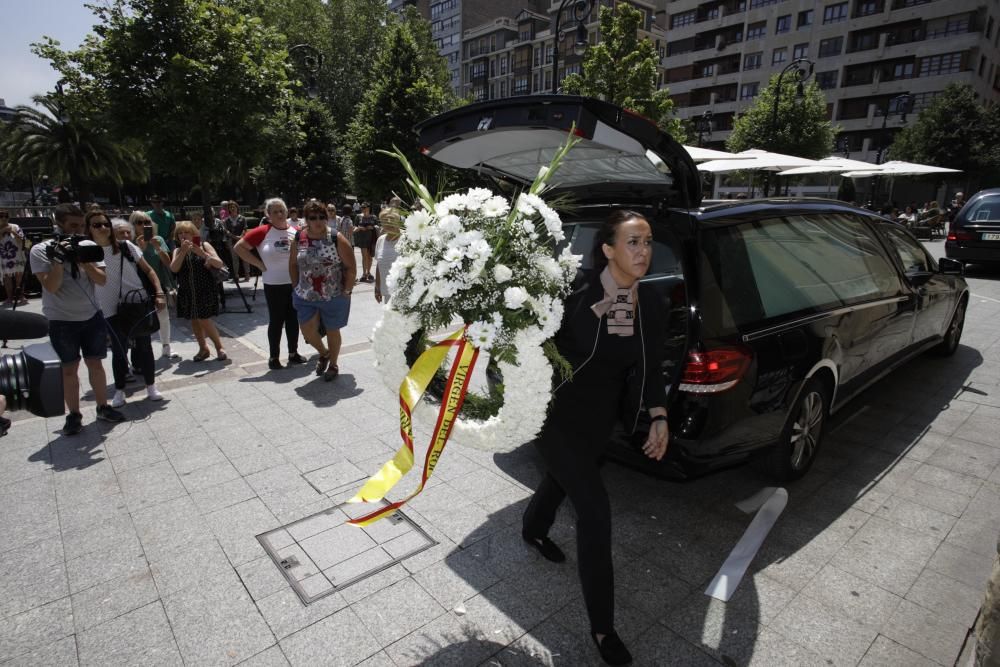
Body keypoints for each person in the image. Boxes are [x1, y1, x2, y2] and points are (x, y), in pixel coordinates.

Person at [521, 210, 670, 666]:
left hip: (599, 420)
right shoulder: (571, 287)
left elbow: (648, 366)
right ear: (608, 249)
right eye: (632, 242)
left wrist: (658, 416)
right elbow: (529, 339)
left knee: (564, 478)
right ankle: (603, 629)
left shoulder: (653, 302)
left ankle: (532, 529)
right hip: (552, 413)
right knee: (595, 510)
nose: (643, 251)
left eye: (647, 241)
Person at [29, 203, 125, 433]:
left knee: (96, 363)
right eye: (73, 225)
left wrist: (84, 261)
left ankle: (103, 406)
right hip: (61, 320)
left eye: (81, 225)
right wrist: (60, 261)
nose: (77, 231)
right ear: (59, 224)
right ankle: (74, 414)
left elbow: (102, 280)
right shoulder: (41, 250)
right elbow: (51, 286)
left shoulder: (88, 246)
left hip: (91, 315)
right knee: (69, 369)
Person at [89, 213, 167, 406]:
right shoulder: (88, 251)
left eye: (105, 224)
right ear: (89, 228)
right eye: (96, 225)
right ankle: (120, 390)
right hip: (109, 306)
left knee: (144, 345)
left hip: (135, 302)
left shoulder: (126, 246)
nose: (102, 228)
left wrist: (159, 292)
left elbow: (149, 270)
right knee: (119, 349)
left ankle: (151, 386)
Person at [234, 197, 307, 370]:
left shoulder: (295, 231)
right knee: (276, 320)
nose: (280, 214)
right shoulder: (263, 231)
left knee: (292, 319)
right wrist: (259, 264)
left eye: (282, 210)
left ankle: (293, 353)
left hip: (294, 283)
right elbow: (239, 247)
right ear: (268, 215)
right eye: (275, 212)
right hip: (273, 284)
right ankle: (274, 357)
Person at [288, 200, 356, 380]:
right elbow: (293, 264)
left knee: (333, 330)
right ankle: (323, 352)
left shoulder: (335, 238)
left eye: (321, 217)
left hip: (333, 294)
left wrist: (347, 291)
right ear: (306, 220)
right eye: (312, 217)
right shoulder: (299, 238)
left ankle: (333, 364)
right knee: (307, 331)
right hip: (305, 294)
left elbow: (350, 267)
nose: (318, 221)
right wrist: (296, 287)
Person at [169, 220, 227, 361]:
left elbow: (219, 263)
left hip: (205, 289)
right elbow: (174, 268)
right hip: (187, 291)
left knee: (204, 319)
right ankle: (203, 348)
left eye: (187, 232)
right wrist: (183, 252)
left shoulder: (204, 245)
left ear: (194, 233)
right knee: (194, 320)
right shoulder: (177, 250)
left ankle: (219, 347)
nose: (183, 235)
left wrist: (202, 253)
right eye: (180, 233)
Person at [129, 211, 177, 359]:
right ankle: (141, 351)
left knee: (163, 315)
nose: (144, 225)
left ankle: (166, 346)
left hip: (158, 283)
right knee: (141, 319)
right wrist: (140, 249)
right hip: (137, 286)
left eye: (147, 222)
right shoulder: (129, 241)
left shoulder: (158, 239)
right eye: (139, 222)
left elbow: (168, 263)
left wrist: (157, 248)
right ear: (133, 225)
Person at [373, 203, 401, 304]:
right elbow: (378, 265)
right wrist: (377, 287)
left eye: (391, 219)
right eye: (385, 221)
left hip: (405, 293)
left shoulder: (406, 239)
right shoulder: (380, 240)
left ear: (398, 221)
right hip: (387, 292)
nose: (388, 223)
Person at [0, 209, 27, 306]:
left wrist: (12, 232)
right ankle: (9, 297)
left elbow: (23, 240)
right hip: (4, 256)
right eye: (1, 216)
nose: (4, 218)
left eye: (6, 216)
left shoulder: (15, 226)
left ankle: (21, 296)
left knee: (19, 276)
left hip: (16, 254)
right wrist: (2, 231)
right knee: (7, 277)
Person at [353, 202, 379, 283]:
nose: (363, 209)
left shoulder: (374, 217)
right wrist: (360, 228)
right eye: (362, 207)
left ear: (369, 208)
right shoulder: (358, 216)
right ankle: (364, 274)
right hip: (363, 239)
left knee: (370, 257)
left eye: (365, 207)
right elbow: (355, 226)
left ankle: (368, 272)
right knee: (364, 256)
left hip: (372, 239)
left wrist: (372, 227)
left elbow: (377, 226)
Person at [224, 201, 247, 280]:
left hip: (242, 240)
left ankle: (247, 274)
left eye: (234, 207)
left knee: (245, 257)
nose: (232, 208)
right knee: (235, 259)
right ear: (229, 209)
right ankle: (236, 275)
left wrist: (240, 237)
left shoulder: (242, 218)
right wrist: (234, 237)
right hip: (232, 241)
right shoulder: (226, 220)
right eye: (231, 207)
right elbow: (226, 232)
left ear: (237, 208)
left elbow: (245, 228)